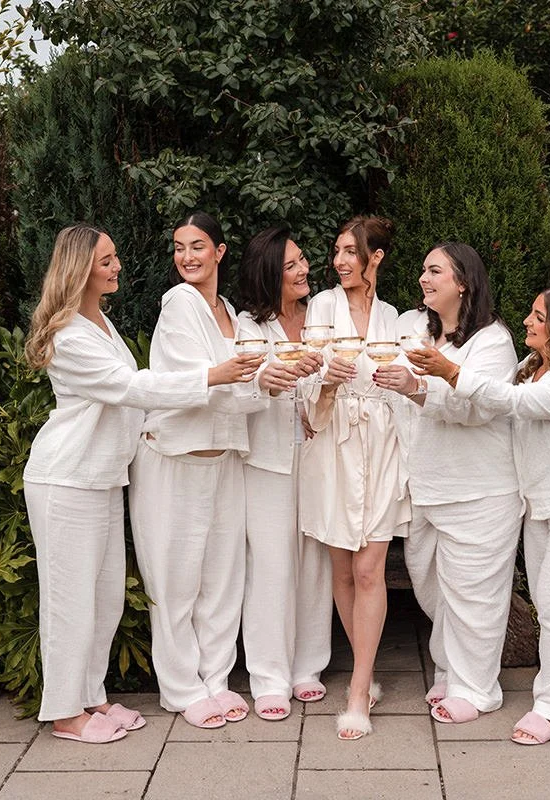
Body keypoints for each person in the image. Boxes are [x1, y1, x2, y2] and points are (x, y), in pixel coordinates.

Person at [22, 224, 261, 743]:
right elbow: (129, 387)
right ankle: (64, 713)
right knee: (69, 600)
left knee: (104, 598)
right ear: (82, 267)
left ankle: (92, 698)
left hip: (104, 478)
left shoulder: (100, 324)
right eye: (107, 260)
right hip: (65, 479)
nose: (116, 267)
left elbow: (136, 392)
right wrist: (212, 377)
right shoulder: (68, 336)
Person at [407, 284, 550, 744]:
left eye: (539, 317)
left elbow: (510, 403)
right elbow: (486, 401)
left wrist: (450, 370)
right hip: (541, 504)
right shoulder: (530, 368)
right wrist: (421, 390)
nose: (527, 320)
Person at [127, 212, 270, 729]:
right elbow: (198, 387)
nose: (187, 257)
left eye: (198, 247)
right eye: (179, 247)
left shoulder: (232, 312)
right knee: (175, 582)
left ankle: (216, 678)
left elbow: (241, 391)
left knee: (222, 581)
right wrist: (245, 381)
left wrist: (269, 382)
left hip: (225, 459)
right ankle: (182, 689)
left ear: (221, 252)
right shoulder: (178, 304)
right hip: (174, 460)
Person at [372, 242, 521, 725]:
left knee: (475, 593)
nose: (423, 278)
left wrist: (420, 387)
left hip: (479, 490)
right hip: (425, 488)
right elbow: (374, 356)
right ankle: (449, 671)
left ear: (463, 282)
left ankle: (477, 689)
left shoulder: (492, 341)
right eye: (422, 270)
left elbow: (478, 409)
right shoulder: (416, 329)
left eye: (434, 271)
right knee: (433, 587)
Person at [301, 215, 410, 740]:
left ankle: (359, 687)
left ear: (376, 257)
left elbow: (410, 381)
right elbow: (305, 385)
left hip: (382, 444)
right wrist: (325, 382)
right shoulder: (321, 307)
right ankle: (365, 676)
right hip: (333, 445)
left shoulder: (397, 318)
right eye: (337, 251)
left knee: (370, 571)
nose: (341, 260)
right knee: (342, 571)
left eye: (351, 251)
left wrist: (405, 382)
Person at [235, 226, 333, 721]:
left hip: (317, 457)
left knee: (314, 558)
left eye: (302, 261)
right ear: (270, 270)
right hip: (269, 460)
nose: (303, 270)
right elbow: (251, 382)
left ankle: (308, 667)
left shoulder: (320, 318)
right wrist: (271, 380)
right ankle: (269, 676)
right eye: (291, 264)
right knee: (272, 565)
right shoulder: (251, 326)